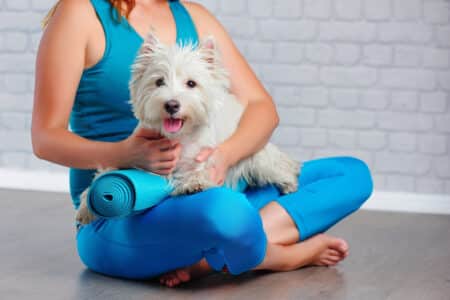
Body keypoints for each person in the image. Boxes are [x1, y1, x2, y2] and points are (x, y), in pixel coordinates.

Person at [32, 0, 374, 288]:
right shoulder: (80, 12)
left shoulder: (194, 17)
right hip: (121, 215)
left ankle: (212, 258)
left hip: (208, 186)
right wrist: (125, 153)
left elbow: (262, 108)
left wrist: (224, 157)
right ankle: (277, 255)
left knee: (351, 174)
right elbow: (44, 138)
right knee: (226, 210)